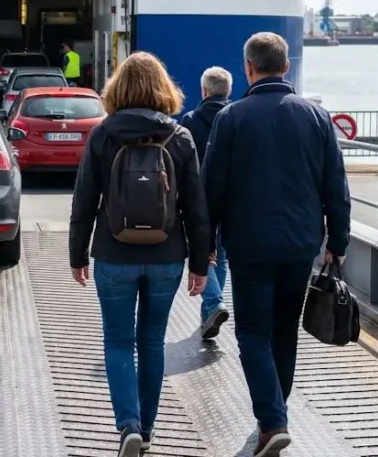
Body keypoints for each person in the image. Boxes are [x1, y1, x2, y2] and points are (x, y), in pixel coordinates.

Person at [202, 33, 351, 457]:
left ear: (249, 68)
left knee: (252, 331)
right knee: (285, 332)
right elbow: (335, 186)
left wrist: (204, 242)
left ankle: (272, 421)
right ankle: (276, 416)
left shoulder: (231, 118)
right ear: (286, 67)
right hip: (301, 245)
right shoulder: (317, 117)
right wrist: (337, 239)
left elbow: (212, 186)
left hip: (248, 245)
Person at [69, 51, 212, 457]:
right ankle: (146, 431)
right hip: (166, 255)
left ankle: (127, 425)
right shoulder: (180, 137)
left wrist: (77, 254)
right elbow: (197, 209)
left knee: (117, 342)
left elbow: (84, 200)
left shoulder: (102, 134)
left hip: (113, 254)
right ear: (163, 88)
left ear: (118, 88)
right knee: (151, 344)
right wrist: (201, 264)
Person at [179, 66, 233, 340]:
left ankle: (213, 303)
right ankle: (207, 317)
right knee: (220, 257)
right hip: (230, 199)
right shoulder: (237, 117)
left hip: (198, 198)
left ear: (204, 91)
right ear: (228, 91)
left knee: (200, 252)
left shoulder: (190, 120)